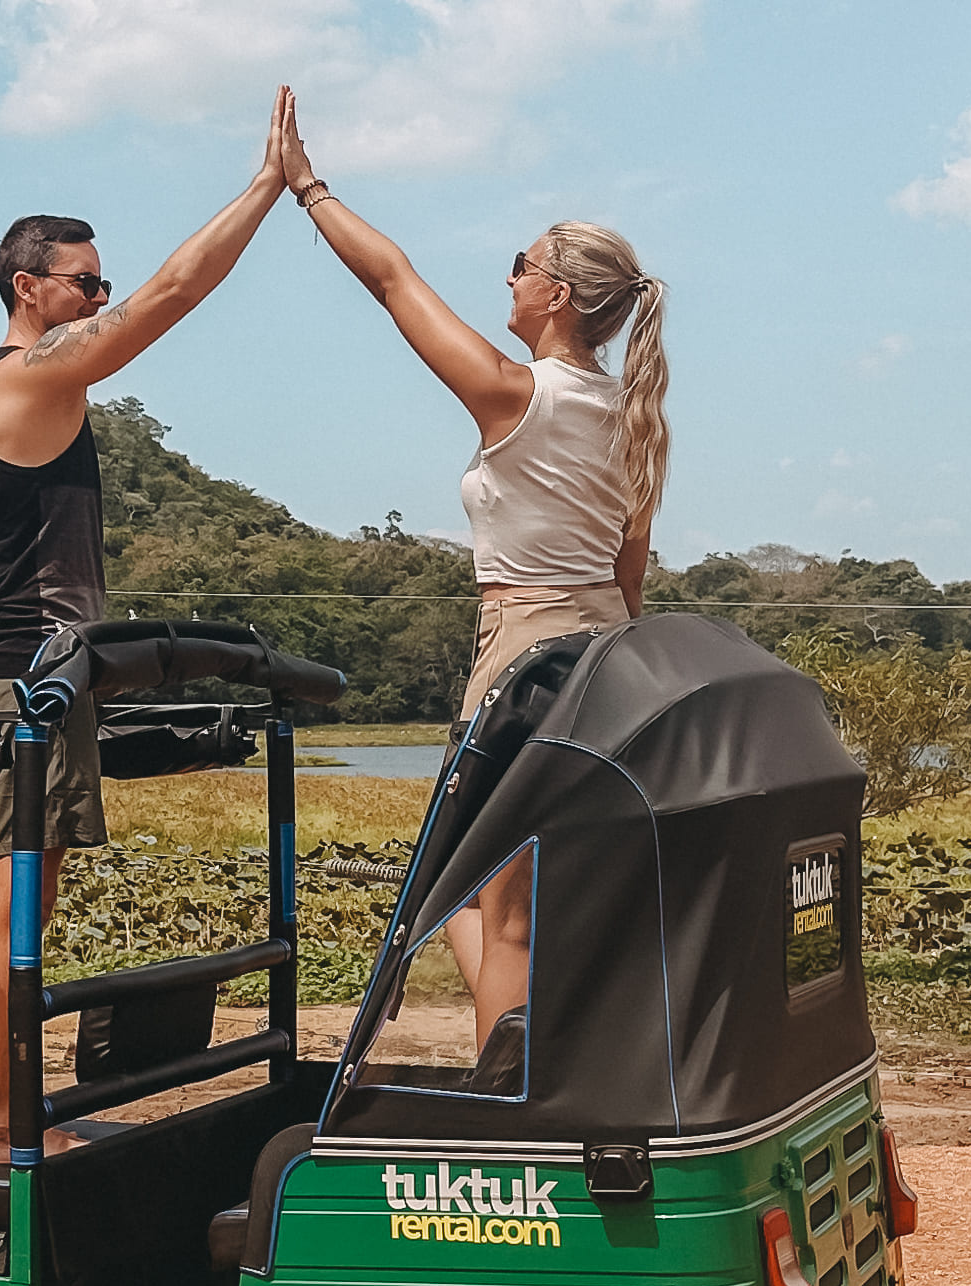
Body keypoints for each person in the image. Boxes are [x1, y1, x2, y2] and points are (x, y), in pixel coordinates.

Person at [271, 86, 672, 1070]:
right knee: (509, 895)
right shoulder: (634, 414)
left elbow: (395, 282)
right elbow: (629, 576)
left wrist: (307, 187)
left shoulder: (516, 394)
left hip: (521, 657)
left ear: (559, 296)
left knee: (503, 911)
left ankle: (513, 1095)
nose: (510, 275)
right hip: (606, 662)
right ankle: (534, 1064)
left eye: (523, 264)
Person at [0, 108, 293, 1161]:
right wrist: (269, 187)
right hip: (23, 686)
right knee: (8, 909)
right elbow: (173, 295)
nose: (99, 297)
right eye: (85, 283)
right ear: (27, 290)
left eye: (100, 282)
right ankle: (1, 1128)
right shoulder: (29, 376)